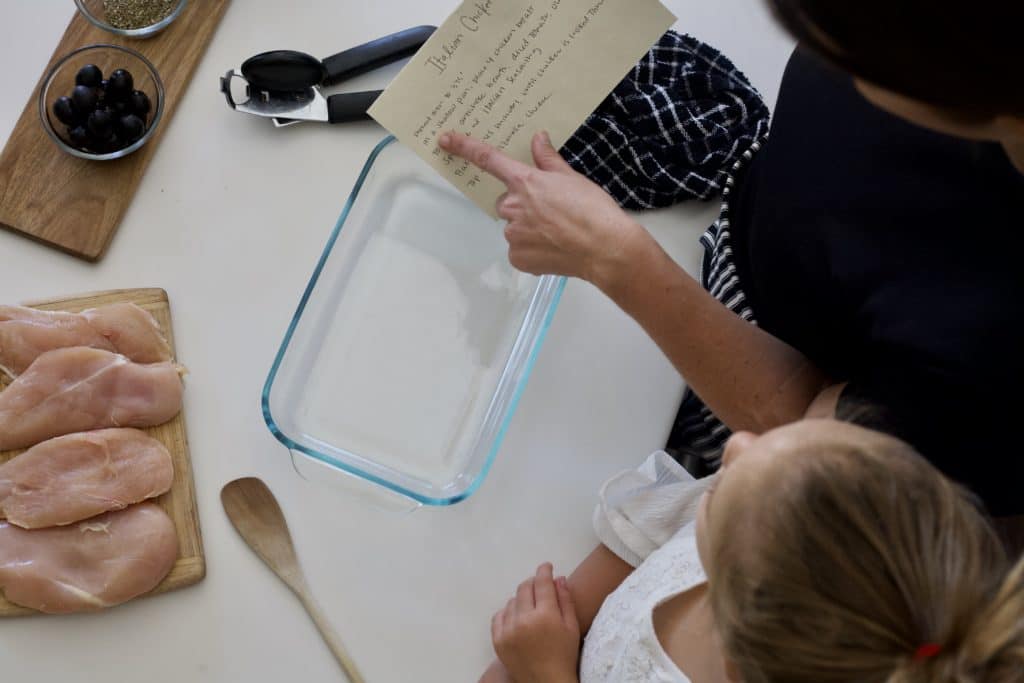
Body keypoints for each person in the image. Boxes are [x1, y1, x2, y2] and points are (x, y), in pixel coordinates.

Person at [438, 0, 1024, 530]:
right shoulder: (935, 59)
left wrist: (617, 259)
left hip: (754, 382)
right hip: (741, 198)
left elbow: (803, 437)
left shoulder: (990, 352)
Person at [481, 421, 1024, 682]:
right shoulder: (760, 521)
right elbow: (622, 559)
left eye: (723, 487)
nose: (738, 441)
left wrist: (547, 674)